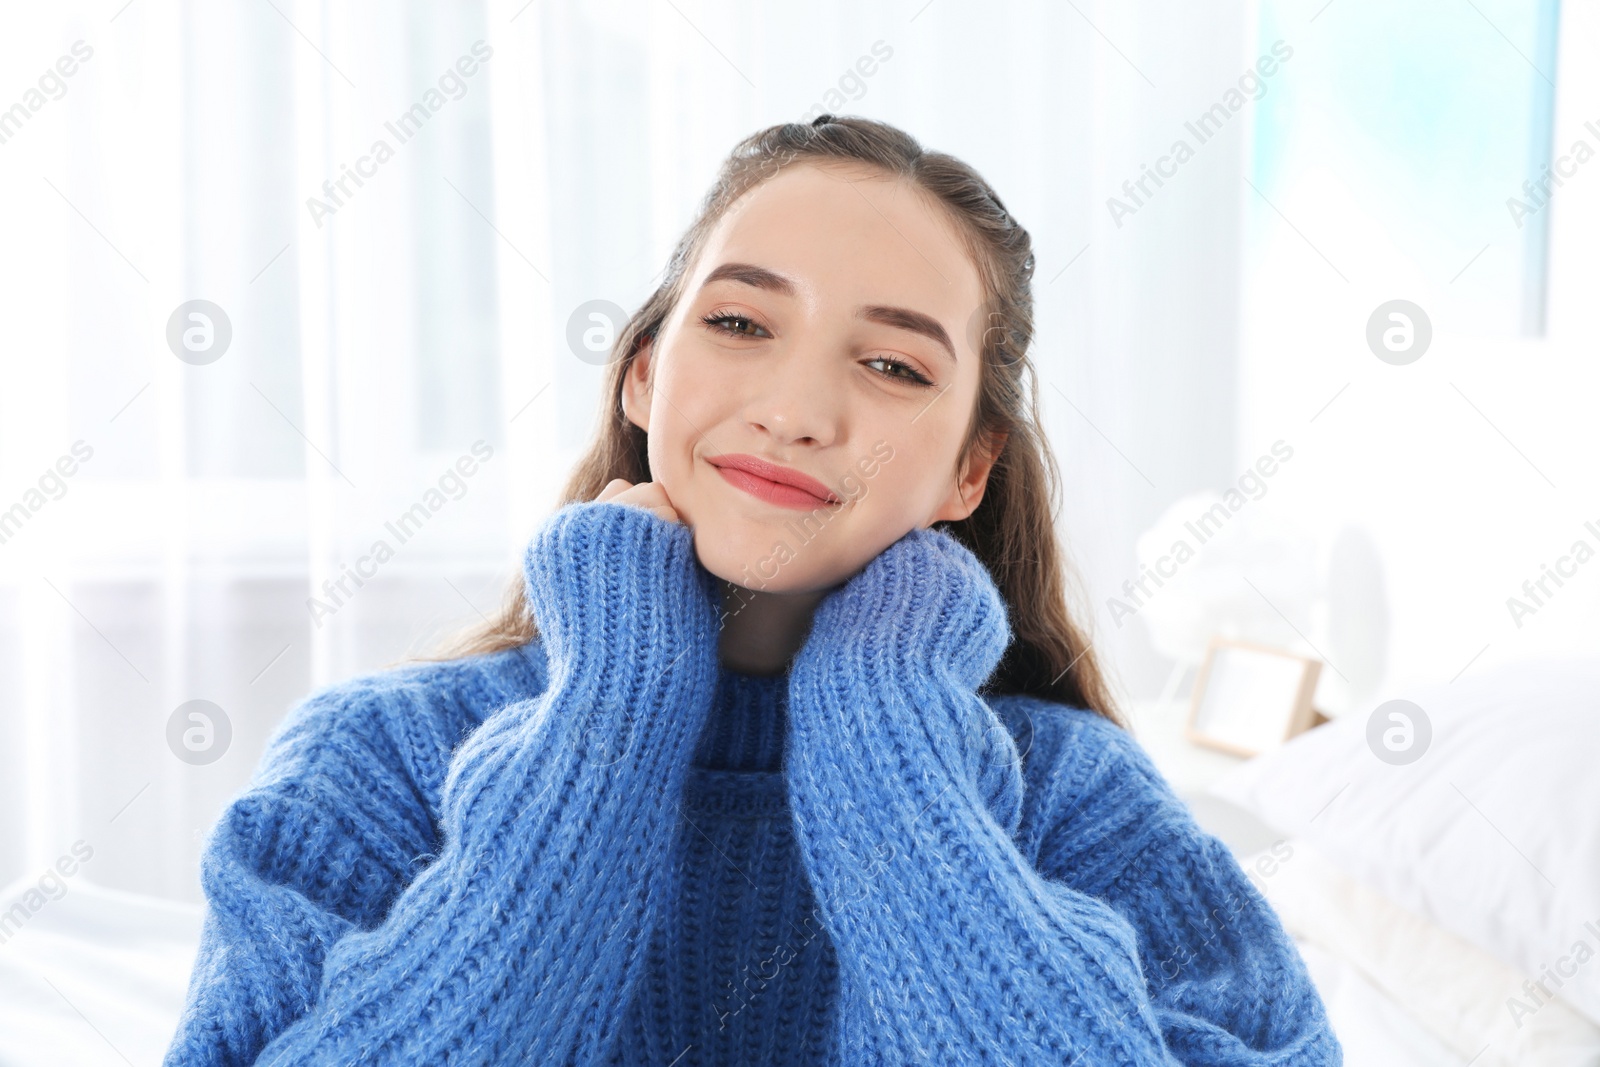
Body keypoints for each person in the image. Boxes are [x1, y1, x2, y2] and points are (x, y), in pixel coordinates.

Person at [162, 114, 1341, 1066]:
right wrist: (611, 705)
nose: (795, 407)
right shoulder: (377, 758)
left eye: (890, 363)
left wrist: (885, 725)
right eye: (737, 321)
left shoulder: (1073, 797)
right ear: (640, 375)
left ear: (968, 470)